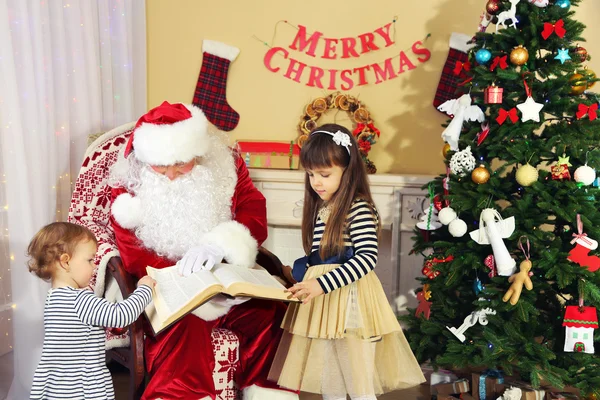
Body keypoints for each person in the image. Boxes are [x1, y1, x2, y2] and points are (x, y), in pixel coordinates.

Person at [108, 101, 298, 400]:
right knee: (184, 329)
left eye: (181, 164)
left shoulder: (225, 169)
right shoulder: (129, 188)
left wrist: (221, 244)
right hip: (165, 287)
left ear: (197, 153)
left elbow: (253, 210)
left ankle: (268, 392)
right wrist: (190, 286)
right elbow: (134, 257)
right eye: (161, 166)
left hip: (223, 278)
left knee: (271, 314)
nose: (171, 174)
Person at [268, 124, 426, 400]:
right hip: (326, 302)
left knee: (357, 379)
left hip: (350, 300)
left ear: (347, 169)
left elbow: (367, 258)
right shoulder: (322, 207)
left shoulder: (358, 207)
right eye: (311, 174)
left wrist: (320, 284)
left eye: (325, 174)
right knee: (332, 378)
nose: (316, 182)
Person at [28, 222, 155, 400]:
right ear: (65, 262)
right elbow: (122, 315)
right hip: (82, 387)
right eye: (89, 260)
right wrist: (144, 289)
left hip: (59, 385)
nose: (94, 267)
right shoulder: (80, 300)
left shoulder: (53, 299)